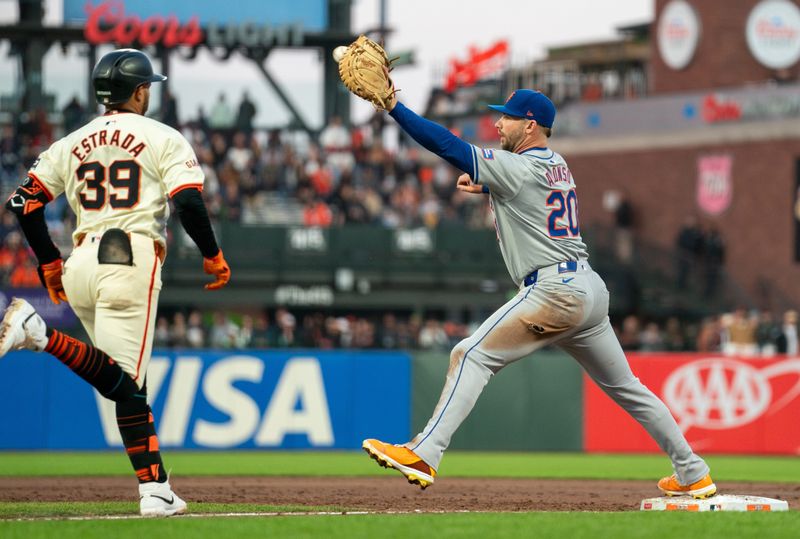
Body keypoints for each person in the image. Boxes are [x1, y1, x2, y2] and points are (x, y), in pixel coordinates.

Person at [354, 86, 715, 498]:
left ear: (529, 125)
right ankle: (693, 471)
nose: (497, 123)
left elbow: (448, 146)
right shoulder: (557, 164)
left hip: (554, 290)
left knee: (469, 355)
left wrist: (394, 108)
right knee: (629, 388)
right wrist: (490, 188)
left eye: (505, 117)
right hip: (589, 291)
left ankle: (424, 452)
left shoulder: (518, 166)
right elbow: (533, 195)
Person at [0, 48, 231, 517]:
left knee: (125, 387)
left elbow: (23, 203)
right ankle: (38, 333)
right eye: (149, 87)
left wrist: (48, 261)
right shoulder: (163, 136)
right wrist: (212, 254)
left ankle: (156, 489)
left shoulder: (73, 140)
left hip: (81, 260)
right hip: (129, 257)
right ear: (140, 91)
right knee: (124, 382)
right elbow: (187, 202)